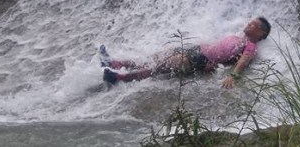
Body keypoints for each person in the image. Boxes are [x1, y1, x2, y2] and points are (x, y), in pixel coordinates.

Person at [100, 17, 271, 89]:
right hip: (195, 50)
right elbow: (230, 57)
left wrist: (233, 77)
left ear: (261, 33)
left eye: (253, 25)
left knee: (158, 68)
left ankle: (119, 78)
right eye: (250, 22)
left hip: (200, 59)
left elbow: (242, 62)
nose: (248, 24)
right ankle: (116, 63)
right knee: (154, 58)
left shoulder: (251, 46)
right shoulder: (241, 37)